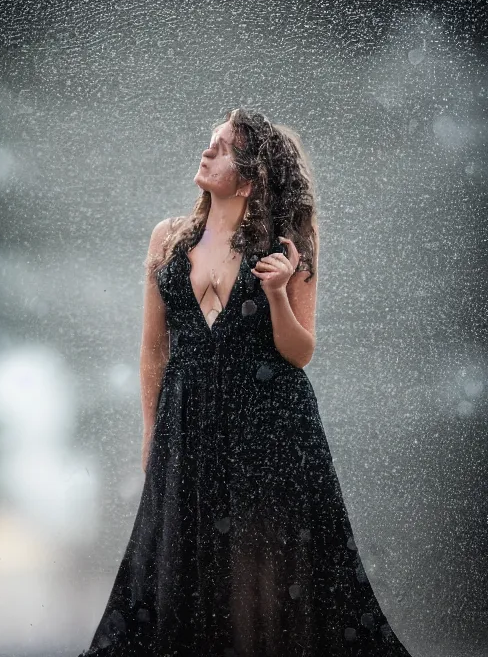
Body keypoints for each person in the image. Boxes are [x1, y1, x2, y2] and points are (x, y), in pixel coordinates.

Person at [77, 108, 413, 656]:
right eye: (210, 143)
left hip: (273, 431)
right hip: (188, 427)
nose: (207, 153)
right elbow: (152, 352)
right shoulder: (167, 237)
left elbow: (300, 352)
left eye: (223, 149)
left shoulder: (287, 245)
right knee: (182, 571)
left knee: (268, 579)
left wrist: (279, 293)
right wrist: (149, 433)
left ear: (251, 179)